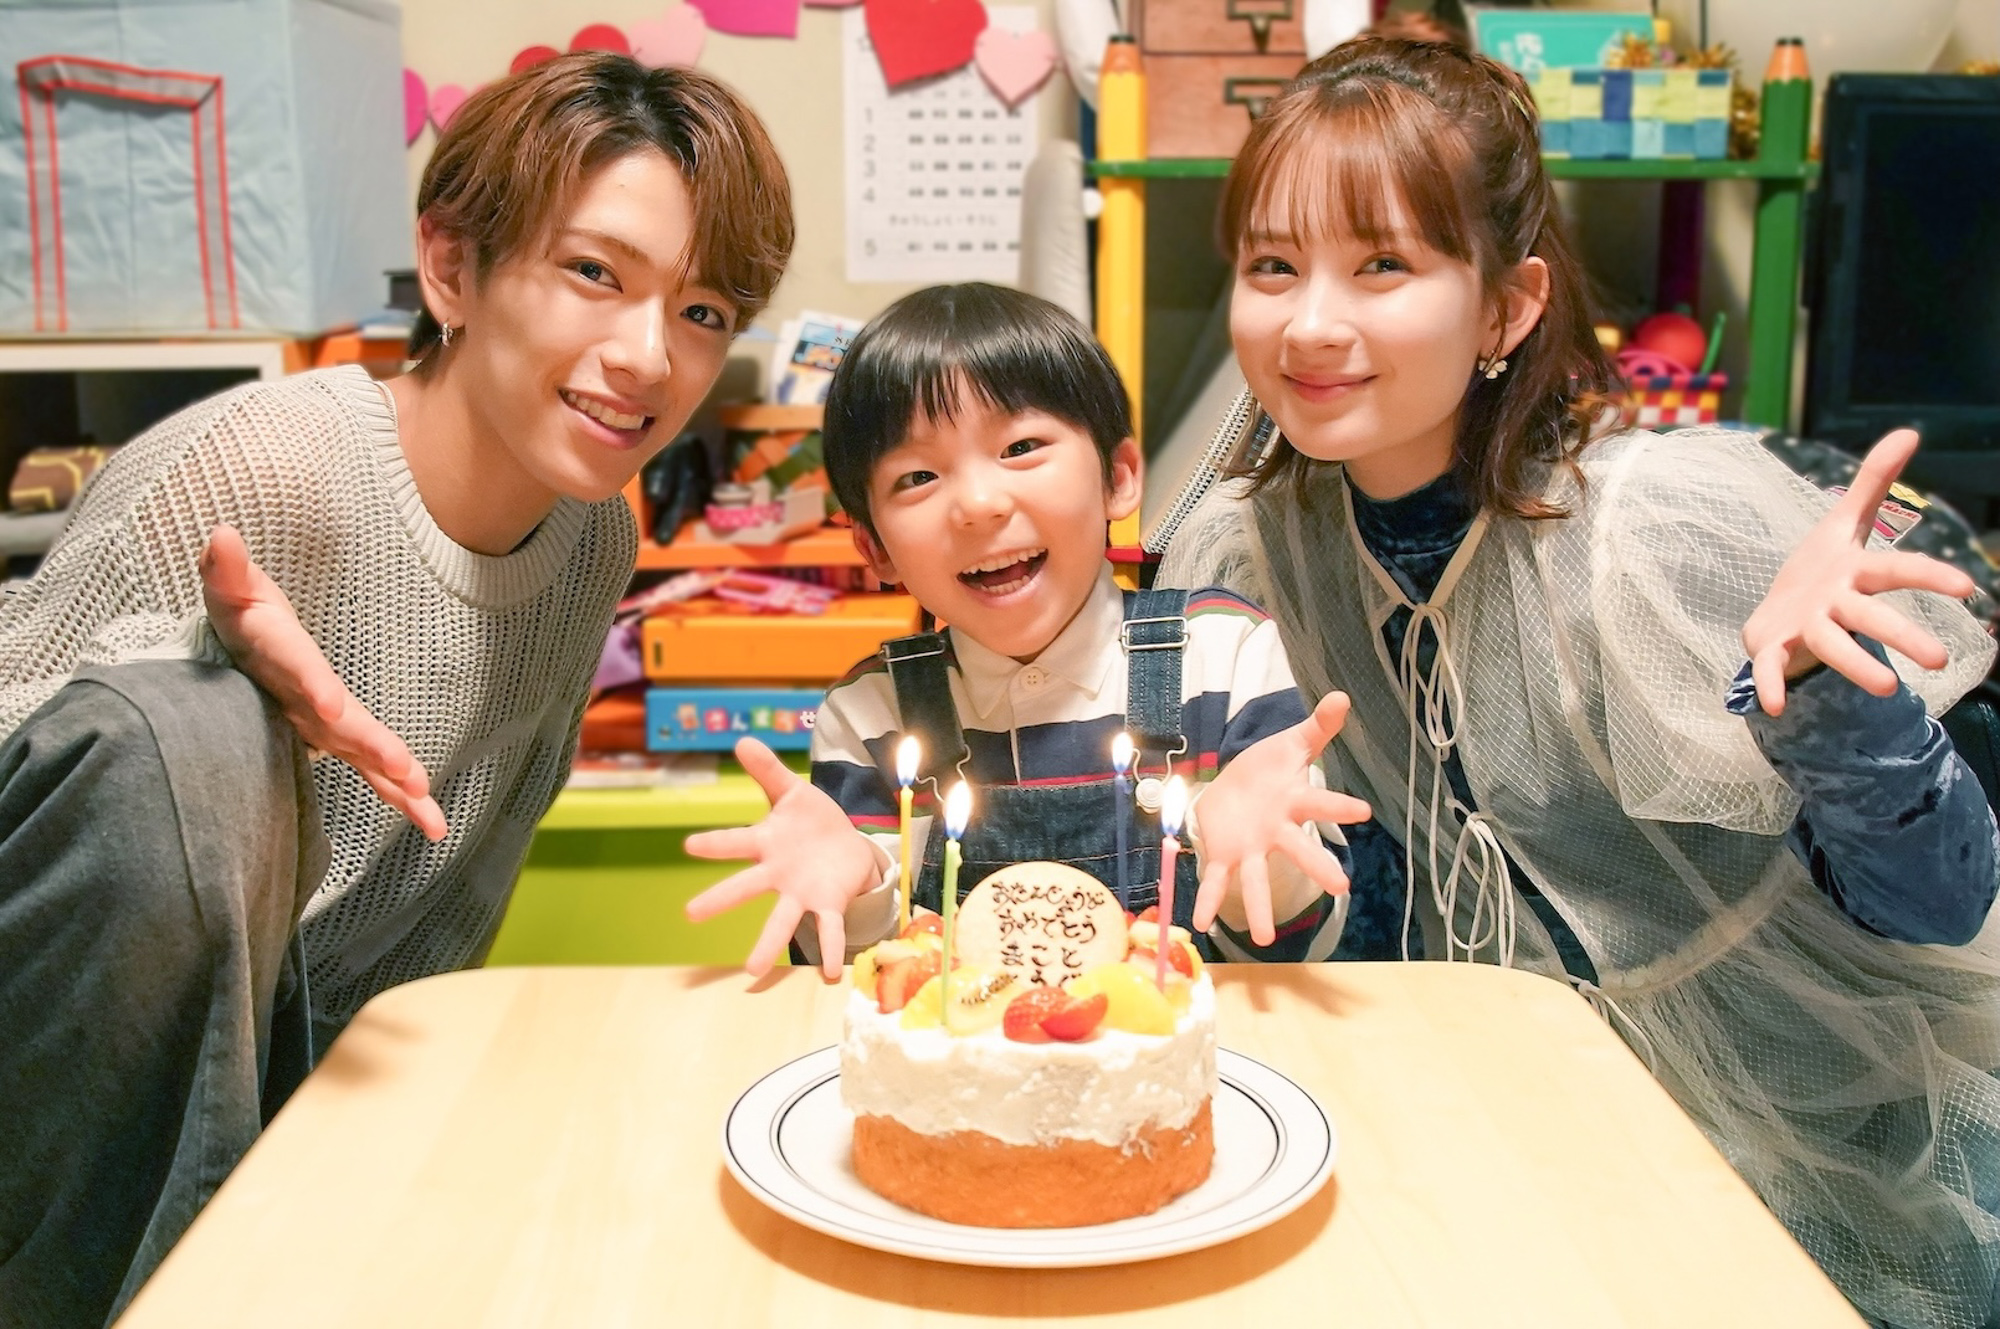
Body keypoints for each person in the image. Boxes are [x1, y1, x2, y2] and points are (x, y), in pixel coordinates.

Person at [1156, 37, 2000, 1329]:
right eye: (1273, 266)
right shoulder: (1257, 549)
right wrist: (1262, 862)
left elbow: (1938, 903)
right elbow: (1374, 916)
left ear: (1507, 306)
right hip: (1505, 1135)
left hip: (1807, 1152)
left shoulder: (1654, 526)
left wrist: (1832, 703)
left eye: (1381, 265)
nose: (1310, 323)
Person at [0, 53, 793, 1329]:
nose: (648, 356)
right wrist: (196, 695)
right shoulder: (255, 474)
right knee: (193, 733)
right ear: (451, 269)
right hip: (79, 1122)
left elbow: (443, 906)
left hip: (300, 1102)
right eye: (596, 274)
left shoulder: (592, 534)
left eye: (703, 310)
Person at [683, 283, 1370, 976]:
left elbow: (1299, 948)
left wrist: (1262, 859)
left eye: (1020, 446)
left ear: (1118, 478)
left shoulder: (1224, 652)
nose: (979, 504)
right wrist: (854, 883)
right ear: (875, 549)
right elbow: (867, 974)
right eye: (917, 476)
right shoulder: (869, 716)